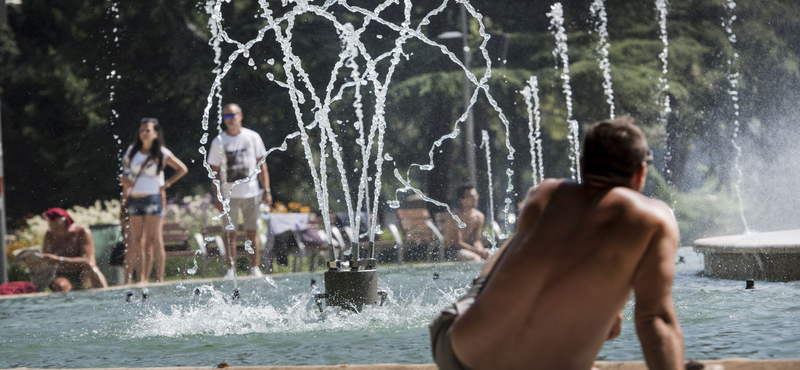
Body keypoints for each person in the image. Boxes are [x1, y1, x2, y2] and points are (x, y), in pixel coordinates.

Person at [431, 116, 684, 370]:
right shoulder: (654, 218)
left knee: (515, 244)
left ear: (582, 165)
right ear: (641, 172)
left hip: (456, 354)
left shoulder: (546, 194)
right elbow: (655, 320)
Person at [207, 103, 273, 278]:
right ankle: (231, 269)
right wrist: (217, 197)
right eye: (226, 116)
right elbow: (213, 172)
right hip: (229, 196)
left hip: (251, 192)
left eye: (232, 115)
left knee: (252, 232)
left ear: (240, 116)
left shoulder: (253, 137)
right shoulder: (218, 142)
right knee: (230, 234)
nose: (229, 119)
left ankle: (254, 267)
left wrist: (266, 190)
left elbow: (262, 165)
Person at [120, 118, 188, 283]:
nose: (144, 133)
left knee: (155, 239)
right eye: (142, 130)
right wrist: (124, 180)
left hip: (152, 198)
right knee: (137, 240)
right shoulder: (132, 150)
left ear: (156, 133)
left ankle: (159, 278)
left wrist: (166, 185)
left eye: (147, 130)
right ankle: (141, 278)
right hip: (135, 198)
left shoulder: (161, 152)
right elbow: (125, 170)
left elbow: (182, 169)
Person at [40, 208, 108, 292]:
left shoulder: (82, 232)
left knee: (92, 268)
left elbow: (87, 260)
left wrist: (59, 260)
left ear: (63, 222)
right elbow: (45, 257)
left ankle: (105, 295)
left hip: (83, 273)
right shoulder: (49, 234)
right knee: (61, 286)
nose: (53, 231)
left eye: (56, 228)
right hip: (61, 274)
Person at [444, 184, 490, 262]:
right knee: (475, 258)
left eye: (476, 195)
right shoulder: (455, 217)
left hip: (472, 249)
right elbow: (458, 243)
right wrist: (478, 252)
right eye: (471, 196)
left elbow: (476, 240)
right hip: (454, 251)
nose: (475, 198)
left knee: (493, 256)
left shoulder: (479, 216)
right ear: (462, 200)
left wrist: (482, 252)